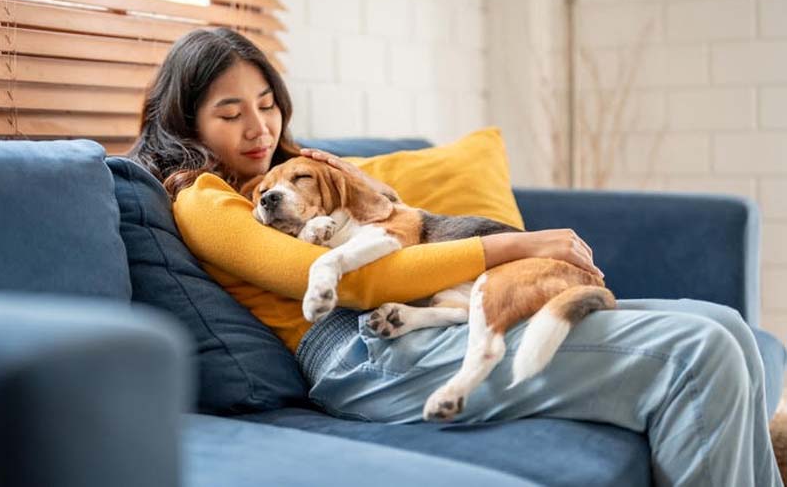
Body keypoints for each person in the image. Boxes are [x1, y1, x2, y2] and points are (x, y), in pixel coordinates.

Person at [130, 27, 781, 486]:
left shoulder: (289, 176)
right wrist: (516, 243)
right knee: (700, 354)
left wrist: (349, 184)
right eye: (230, 113)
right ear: (185, 123)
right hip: (360, 352)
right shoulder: (201, 198)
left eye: (268, 106)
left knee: (720, 324)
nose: (259, 129)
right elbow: (351, 284)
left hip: (417, 317)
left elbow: (391, 223)